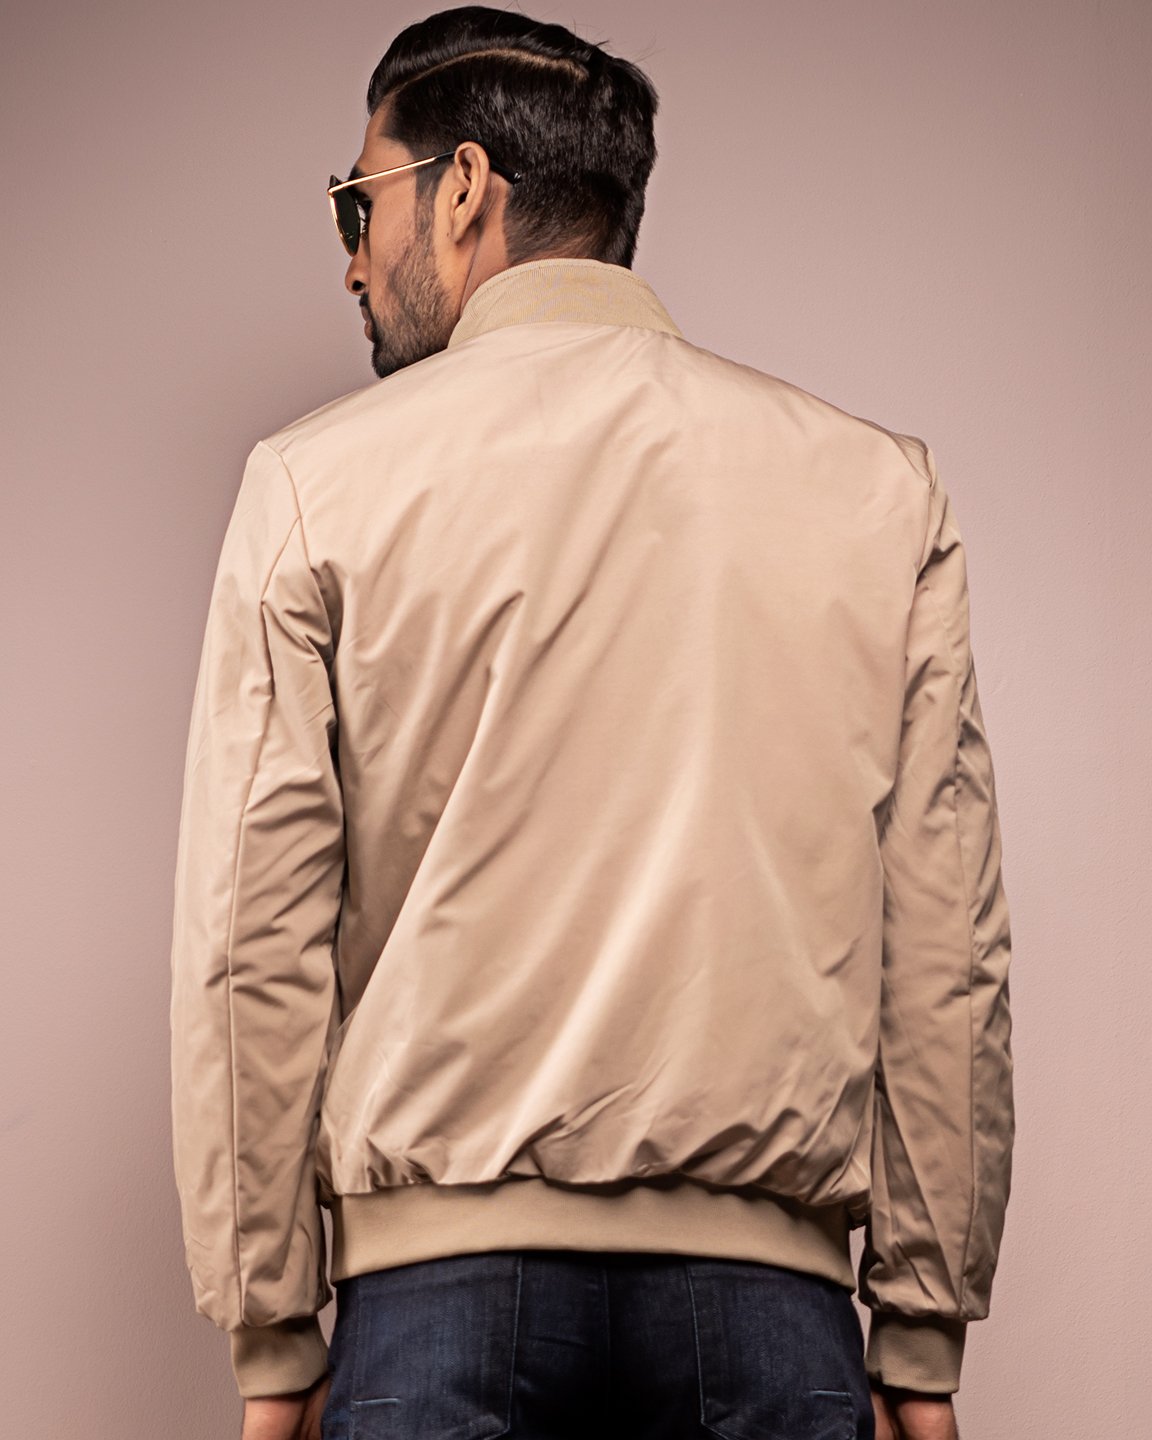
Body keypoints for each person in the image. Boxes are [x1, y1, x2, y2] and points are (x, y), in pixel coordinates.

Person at [168, 7, 1015, 1439]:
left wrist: (272, 1328)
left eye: (358, 204)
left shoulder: (315, 486)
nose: (352, 259)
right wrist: (922, 1328)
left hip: (436, 1307)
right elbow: (946, 947)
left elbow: (251, 939)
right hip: (771, 1310)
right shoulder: (877, 490)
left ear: (463, 189)